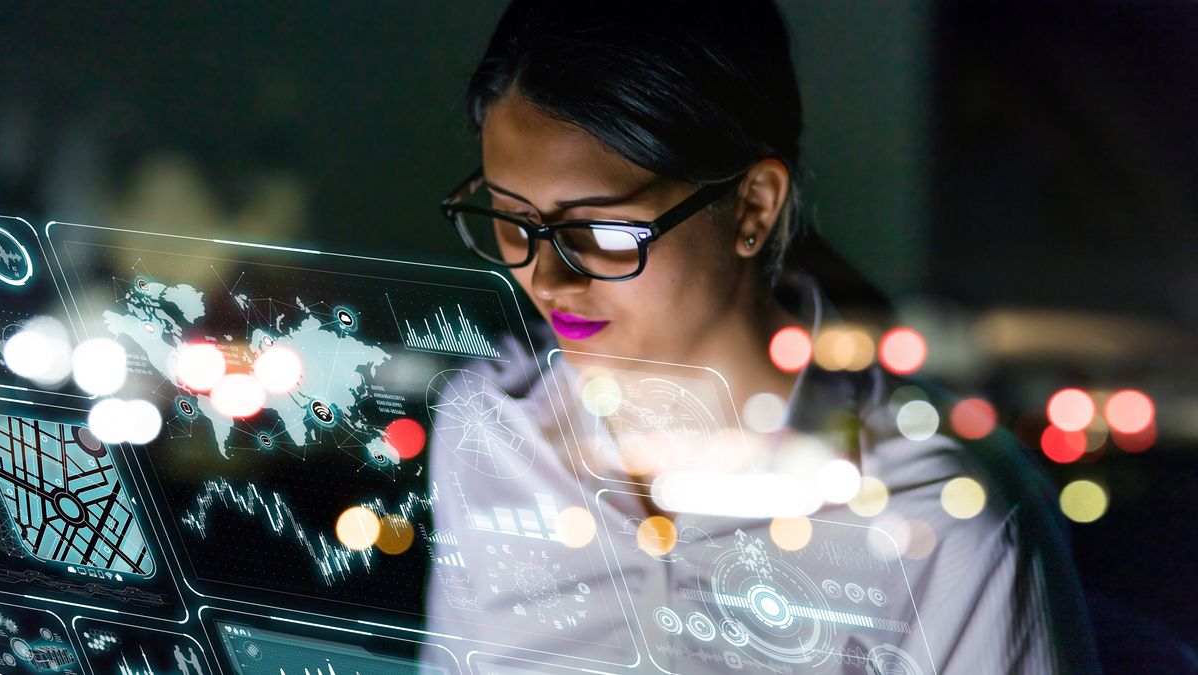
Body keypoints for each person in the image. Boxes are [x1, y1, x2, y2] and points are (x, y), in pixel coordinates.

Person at [421, 2, 1099, 673]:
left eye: (602, 231)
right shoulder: (487, 433)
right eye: (510, 221)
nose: (546, 278)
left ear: (752, 206)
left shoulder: (942, 519)